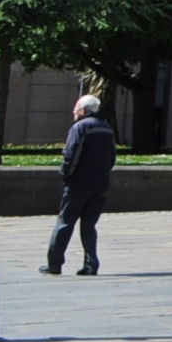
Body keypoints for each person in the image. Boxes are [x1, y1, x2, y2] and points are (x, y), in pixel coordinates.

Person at [41, 94, 115, 276]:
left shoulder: (80, 127)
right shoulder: (107, 128)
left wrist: (65, 174)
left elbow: (71, 155)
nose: (74, 112)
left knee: (65, 223)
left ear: (83, 111)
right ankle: (91, 265)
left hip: (78, 184)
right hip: (100, 184)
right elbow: (112, 158)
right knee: (89, 225)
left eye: (76, 108)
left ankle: (54, 264)